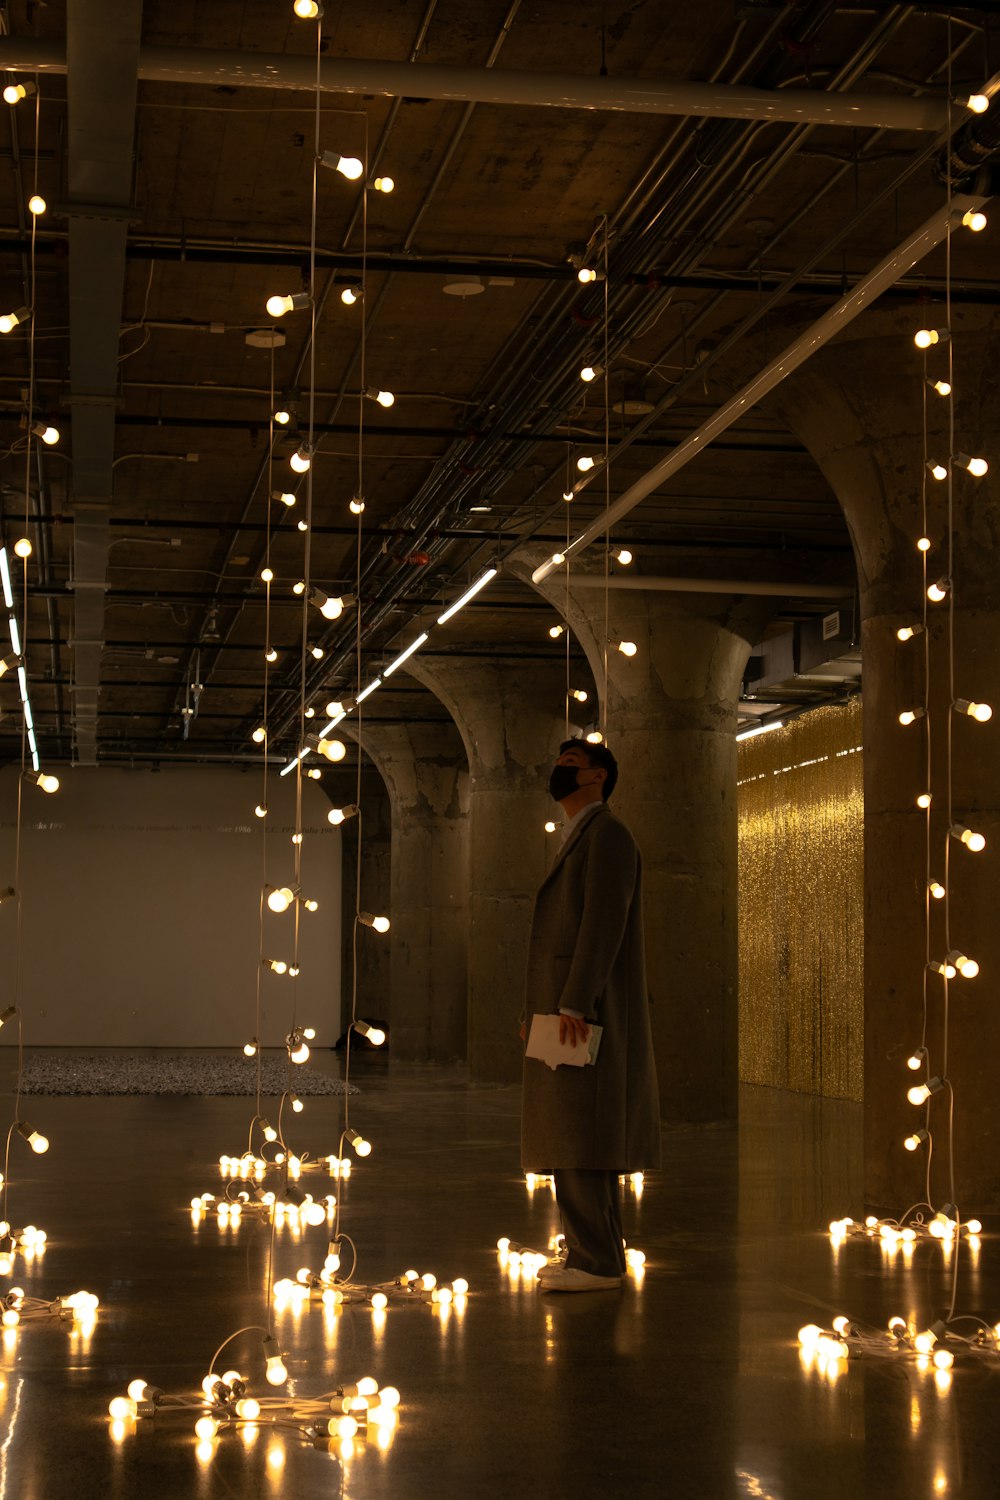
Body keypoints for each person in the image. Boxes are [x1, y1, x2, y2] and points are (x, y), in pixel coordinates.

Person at [521, 737, 660, 1292]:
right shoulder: (583, 836)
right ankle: (591, 1252)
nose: (558, 771)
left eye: (571, 764)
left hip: (581, 1012)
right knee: (572, 1134)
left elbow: (603, 923)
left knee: (580, 1134)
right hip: (563, 1011)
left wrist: (575, 1000)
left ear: (598, 777)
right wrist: (539, 1013)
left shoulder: (609, 836)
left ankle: (596, 1262)